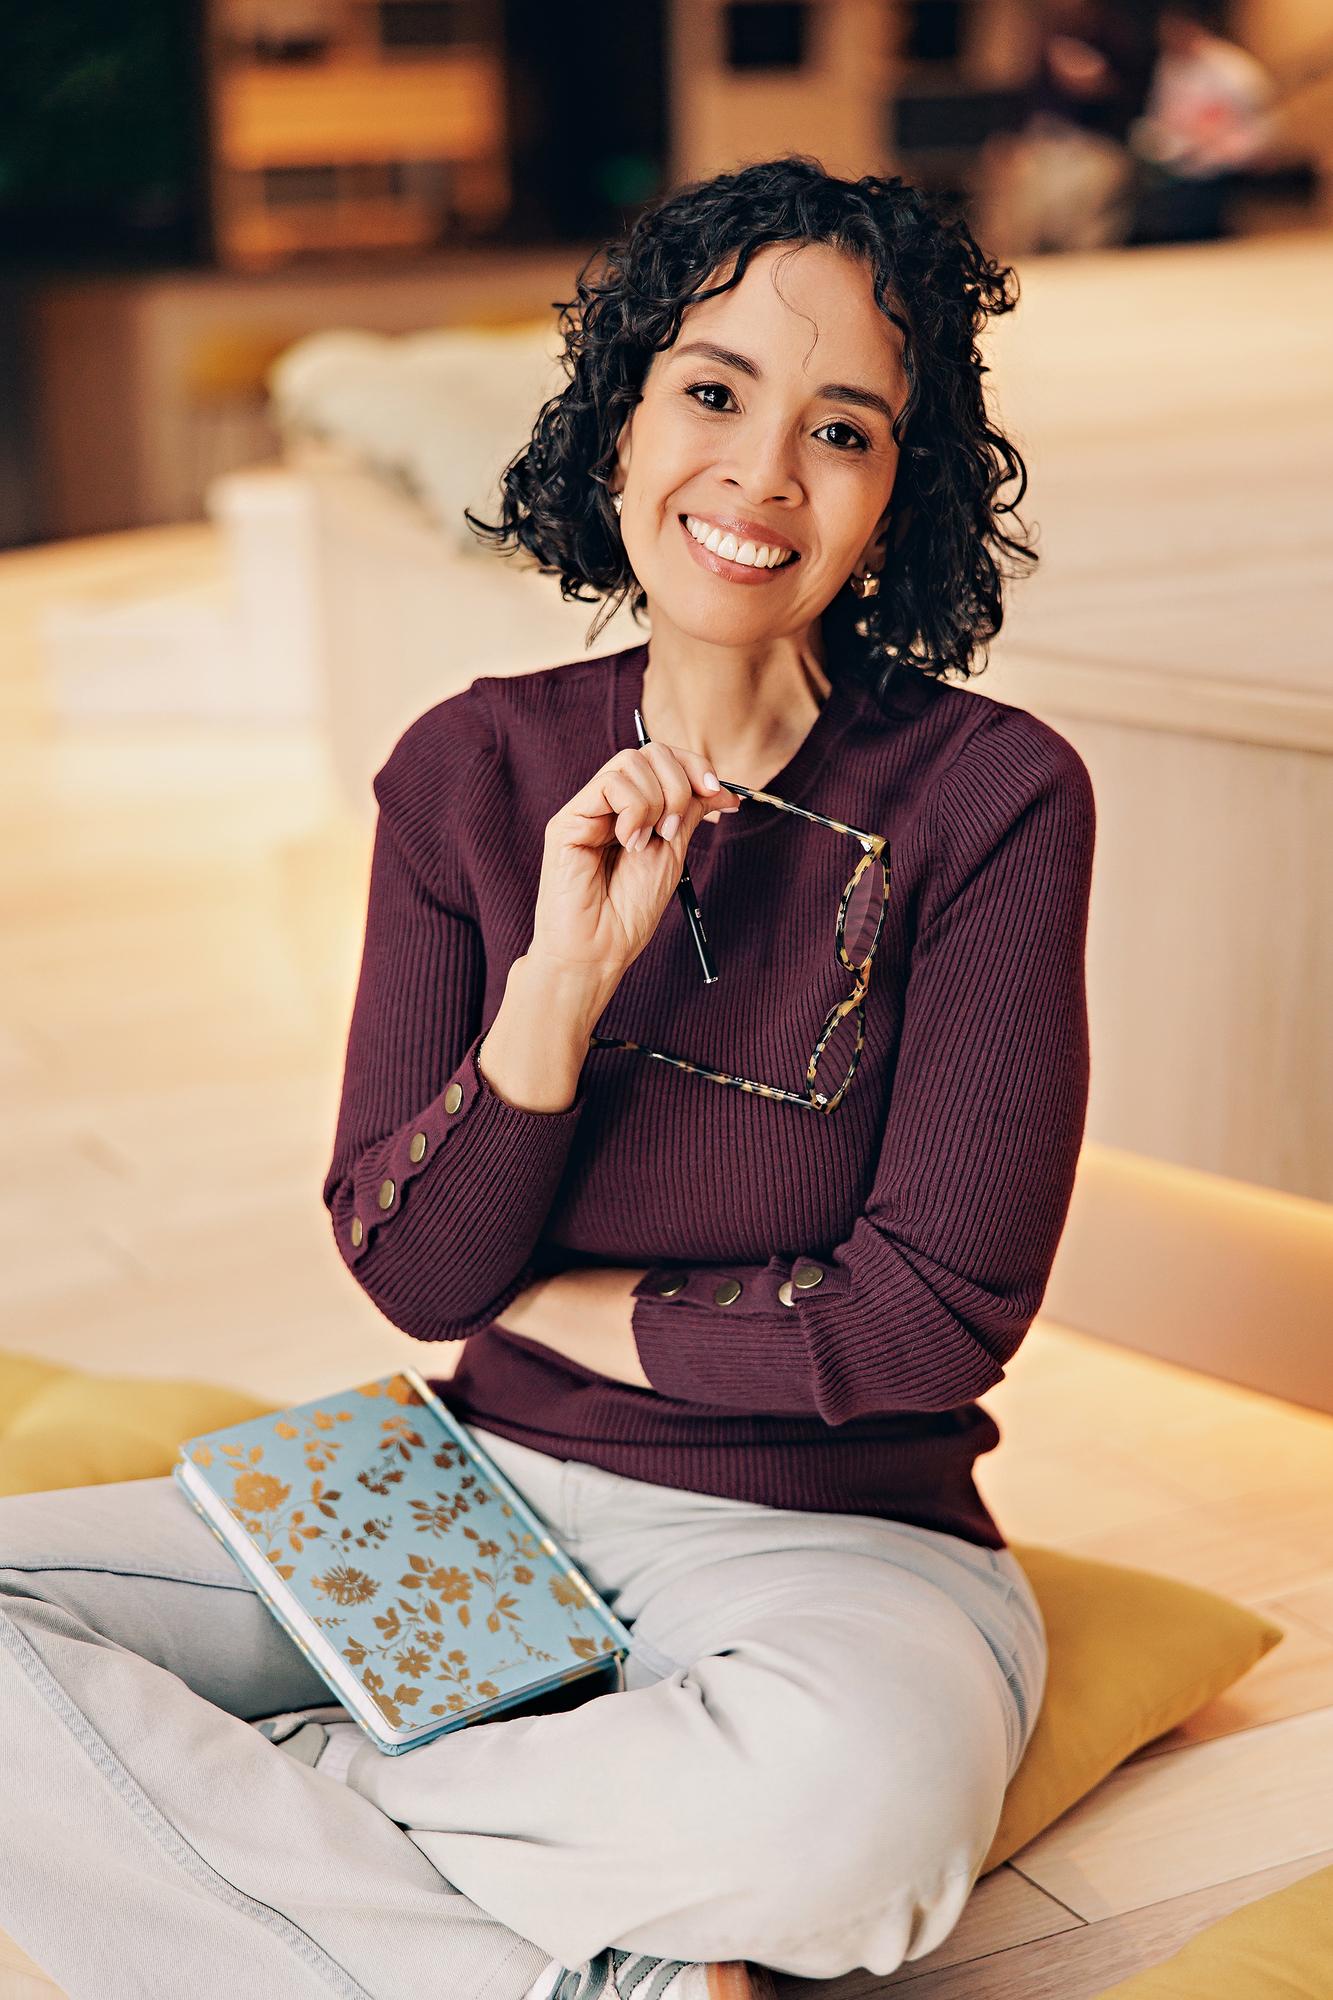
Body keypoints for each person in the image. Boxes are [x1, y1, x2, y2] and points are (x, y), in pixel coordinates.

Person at [0, 156, 1094, 2000]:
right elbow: (415, 1275)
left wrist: (564, 1301)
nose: (759, 474)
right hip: (466, 1489)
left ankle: (259, 1812)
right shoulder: (470, 772)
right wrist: (554, 988)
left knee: (850, 1815)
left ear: (895, 495)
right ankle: (595, 1977)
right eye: (713, 390)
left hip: (839, 1544)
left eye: (842, 428)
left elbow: (921, 1330)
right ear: (618, 420)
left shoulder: (994, 798)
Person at [978, 0, 1160, 254]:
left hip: (1096, 142)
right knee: (1018, 178)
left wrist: (1100, 86)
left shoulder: (1120, 38)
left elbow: (1136, 106)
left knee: (1086, 182)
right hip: (1042, 140)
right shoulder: (1044, 39)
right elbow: (1021, 106)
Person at [1127, 2, 1278, 241]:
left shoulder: (1234, 69)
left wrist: (1232, 149)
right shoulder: (1169, 66)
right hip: (1178, 162)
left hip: (1222, 166)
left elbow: (1265, 121)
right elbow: (1160, 118)